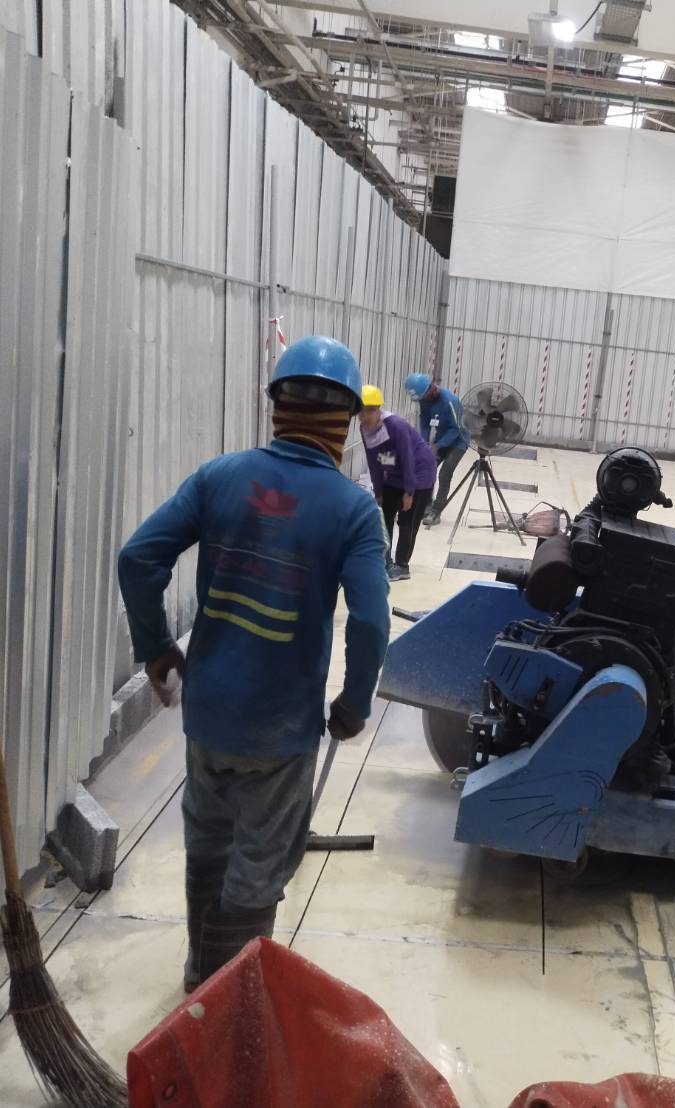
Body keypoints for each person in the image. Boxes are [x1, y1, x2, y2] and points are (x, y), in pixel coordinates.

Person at [116, 334, 391, 993]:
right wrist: (353, 703)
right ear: (347, 418)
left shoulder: (218, 477)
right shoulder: (354, 511)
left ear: (276, 404)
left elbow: (138, 557)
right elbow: (371, 621)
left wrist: (156, 646)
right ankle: (228, 1006)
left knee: (207, 846)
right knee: (258, 866)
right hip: (281, 730)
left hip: (208, 714)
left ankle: (198, 977)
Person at [360, 385, 437, 581]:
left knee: (406, 519)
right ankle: (386, 561)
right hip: (394, 469)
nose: (365, 416)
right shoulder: (365, 429)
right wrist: (379, 492)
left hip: (418, 470)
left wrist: (409, 491)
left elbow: (407, 457)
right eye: (361, 412)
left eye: (370, 411)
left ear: (378, 410)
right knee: (384, 516)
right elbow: (374, 462)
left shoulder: (396, 425)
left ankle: (402, 565)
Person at [404, 372, 468, 528]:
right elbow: (425, 421)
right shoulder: (424, 399)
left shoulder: (450, 401)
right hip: (440, 439)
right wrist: (424, 442)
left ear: (430, 389)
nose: (422, 400)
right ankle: (426, 505)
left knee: (445, 474)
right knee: (427, 468)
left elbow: (456, 429)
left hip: (458, 441)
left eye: (423, 397)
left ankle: (436, 511)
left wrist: (438, 445)